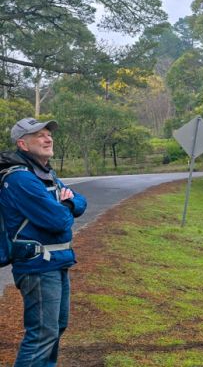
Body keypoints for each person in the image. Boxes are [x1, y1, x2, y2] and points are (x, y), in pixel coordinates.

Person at [0, 118, 87, 367]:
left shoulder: (45, 174)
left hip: (56, 262)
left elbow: (81, 201)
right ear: (22, 144)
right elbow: (59, 221)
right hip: (37, 266)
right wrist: (65, 205)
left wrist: (68, 202)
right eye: (39, 135)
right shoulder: (20, 180)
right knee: (41, 335)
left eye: (48, 134)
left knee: (57, 327)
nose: (48, 138)